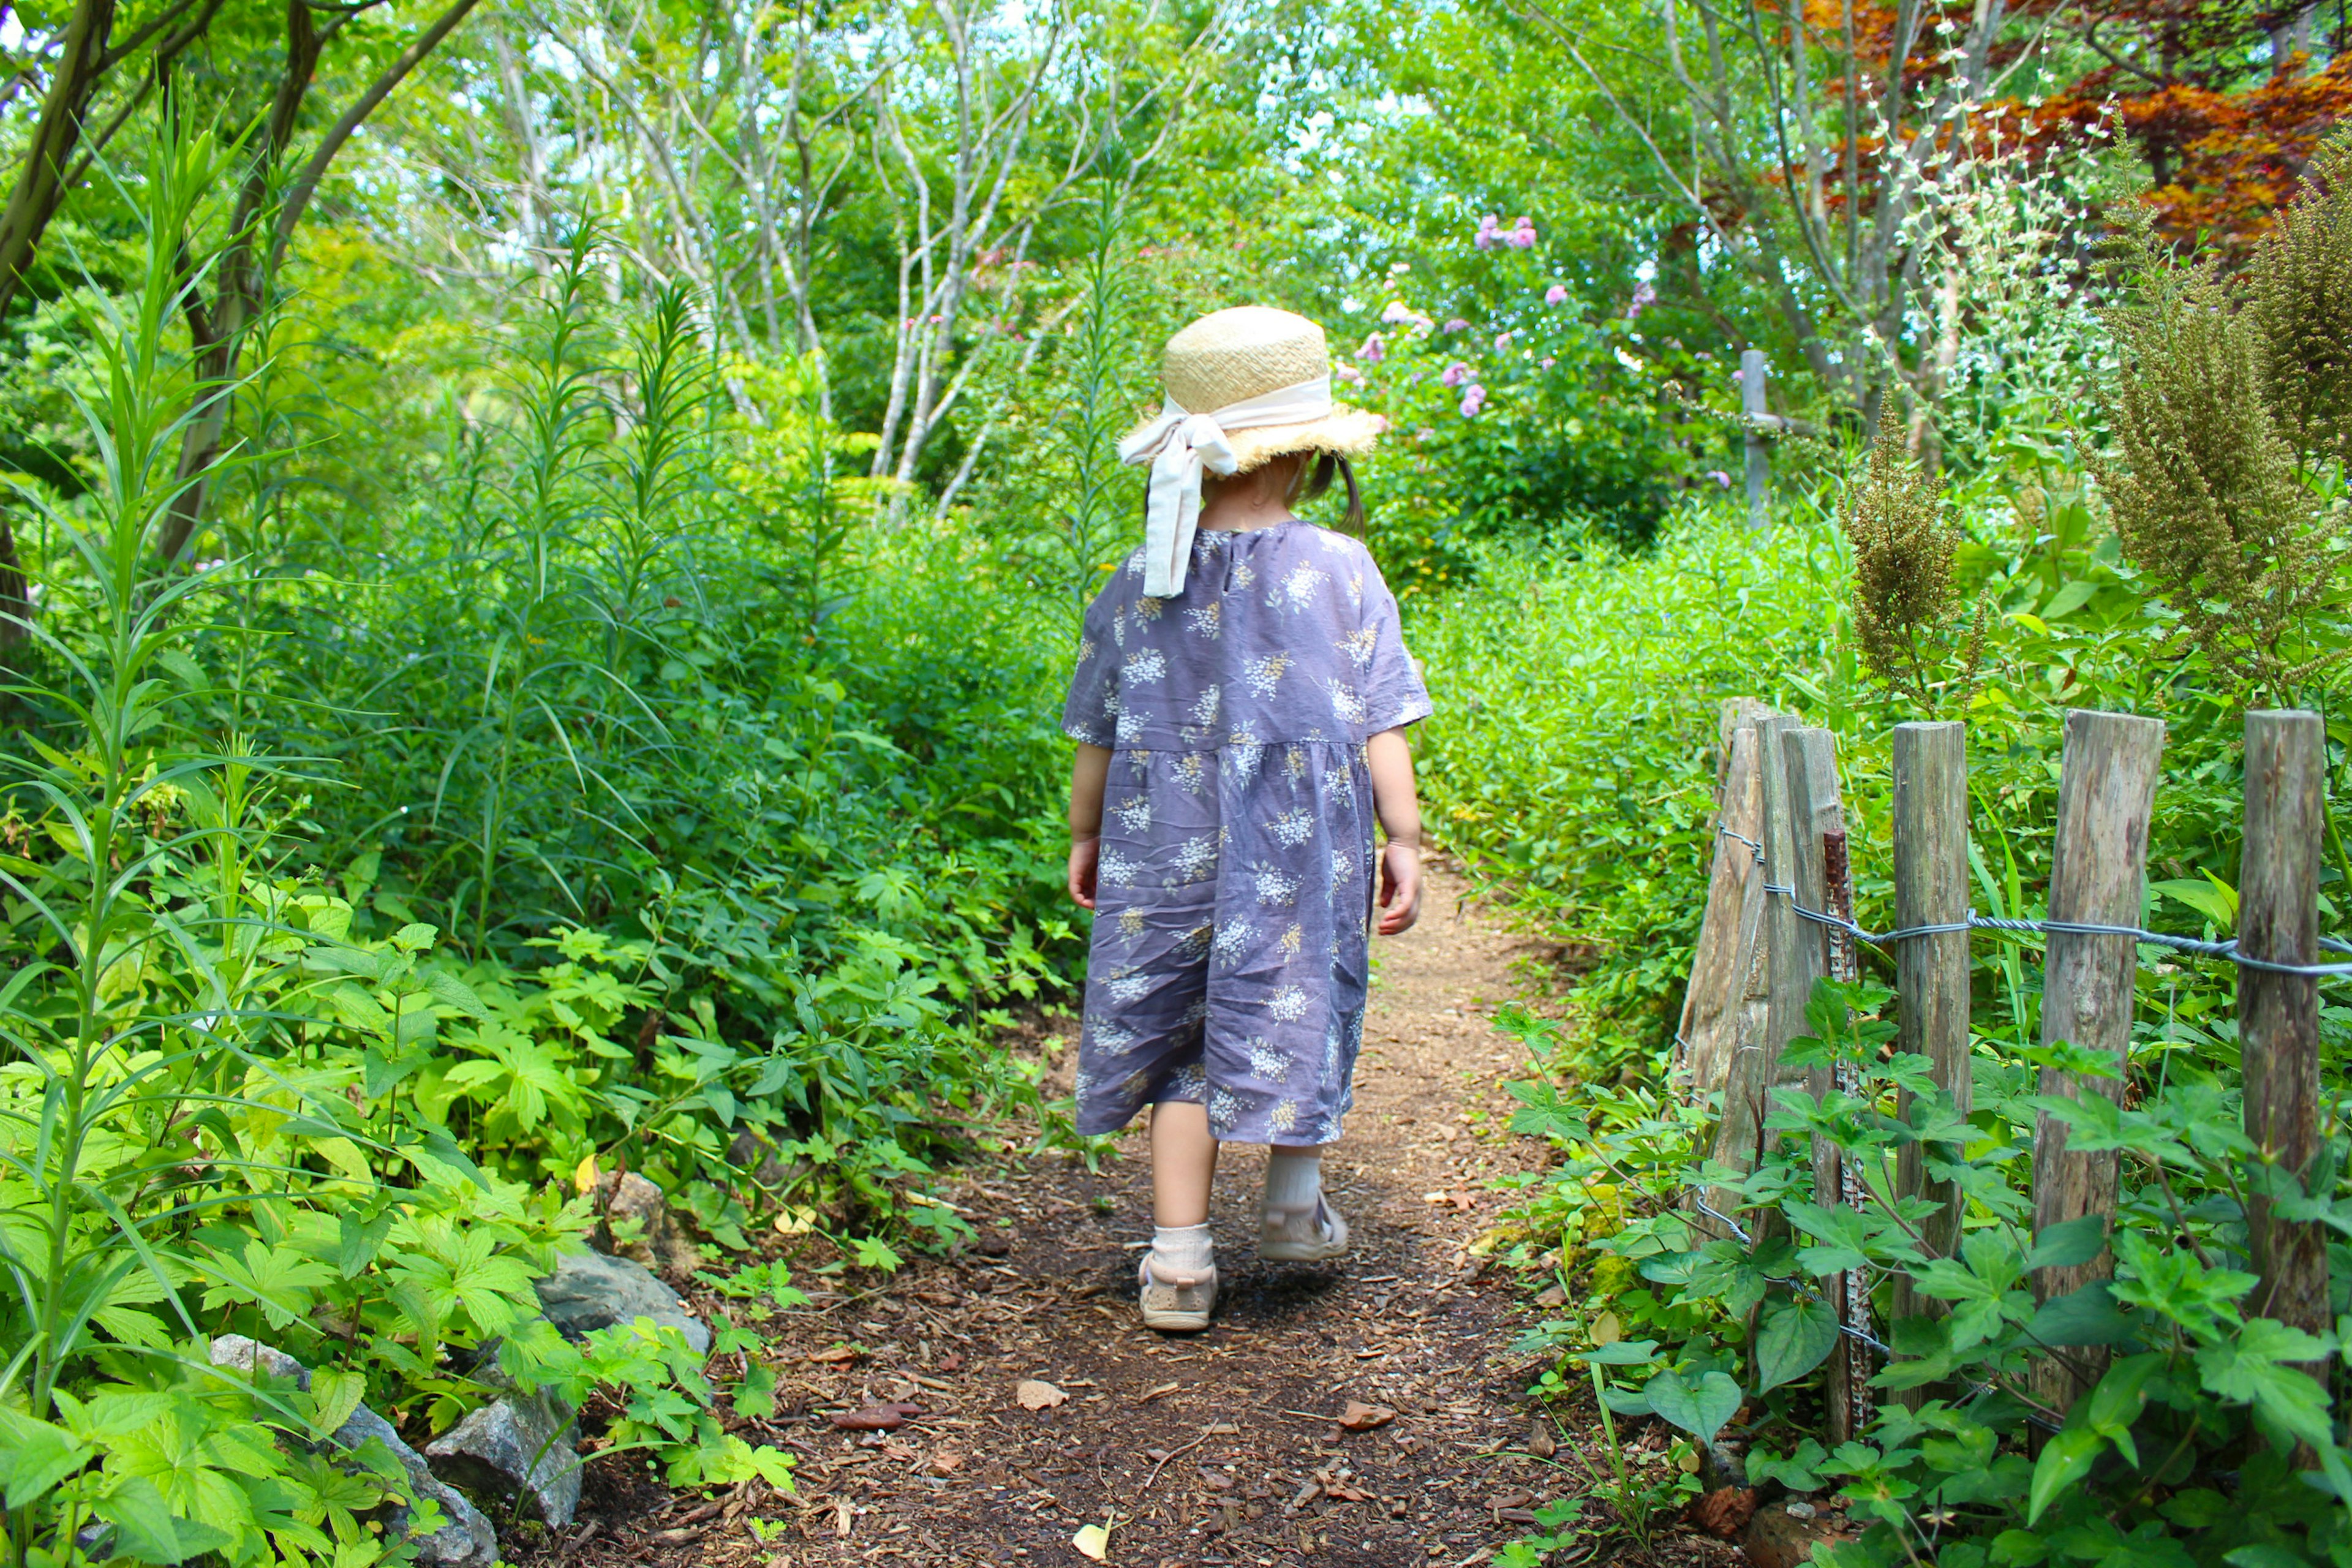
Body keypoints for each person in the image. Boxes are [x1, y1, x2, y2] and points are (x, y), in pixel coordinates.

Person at [1061, 305, 1432, 1333]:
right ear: (1308, 453)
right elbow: (1382, 721)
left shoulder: (1137, 577)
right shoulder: (1341, 569)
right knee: (1295, 996)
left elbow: (1097, 726)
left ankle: (1178, 1263)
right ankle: (1291, 1208)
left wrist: (1086, 833)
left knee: (1182, 1023)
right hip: (1298, 841)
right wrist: (1402, 837)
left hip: (1162, 832)